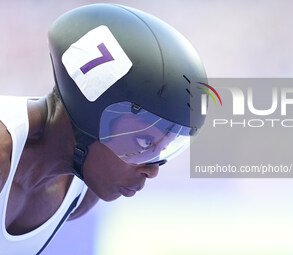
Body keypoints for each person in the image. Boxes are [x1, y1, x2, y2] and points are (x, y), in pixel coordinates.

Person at [0, 3, 207, 254]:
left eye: (163, 151)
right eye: (143, 143)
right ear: (90, 118)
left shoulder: (82, 192)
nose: (153, 171)